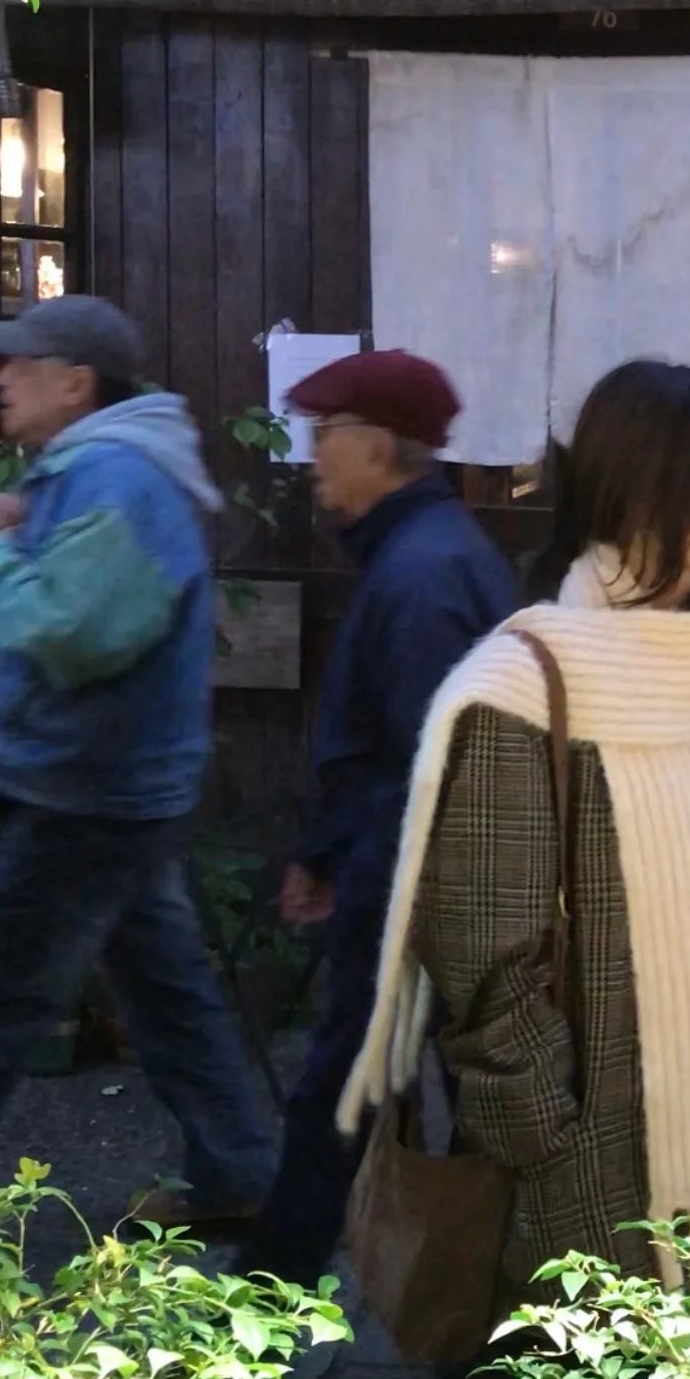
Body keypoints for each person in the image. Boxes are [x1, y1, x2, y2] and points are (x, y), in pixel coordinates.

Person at [337, 360, 690, 1317]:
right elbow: (483, 958)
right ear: (659, 493)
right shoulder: (528, 688)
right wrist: (551, 1146)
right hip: (587, 1176)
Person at [0, 294, 273, 1222]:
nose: (1, 376)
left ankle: (241, 1177)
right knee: (166, 995)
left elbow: (72, 632)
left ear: (76, 383)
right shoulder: (102, 465)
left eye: (21, 361)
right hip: (108, 784)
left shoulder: (118, 476)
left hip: (83, 792)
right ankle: (238, 1177)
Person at [242, 350, 517, 1286]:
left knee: (353, 1085)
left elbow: (430, 765)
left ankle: (274, 1290)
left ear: (377, 446)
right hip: (405, 872)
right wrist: (328, 854)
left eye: (325, 434)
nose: (313, 455)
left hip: (414, 884)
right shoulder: (425, 551)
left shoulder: (425, 572)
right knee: (381, 1082)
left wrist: (366, 882)